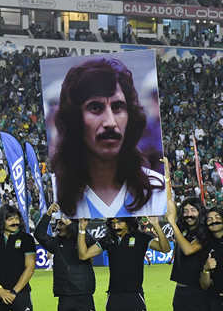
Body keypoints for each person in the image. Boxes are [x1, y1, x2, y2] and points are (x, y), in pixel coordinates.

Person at [50, 57, 165, 219]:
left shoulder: (158, 192)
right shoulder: (52, 193)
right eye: (95, 108)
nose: (110, 122)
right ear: (74, 119)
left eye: (117, 107)